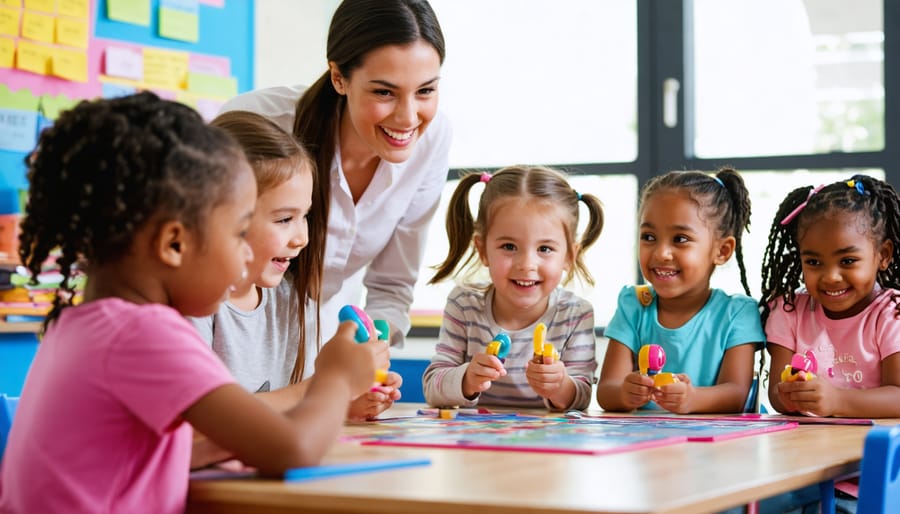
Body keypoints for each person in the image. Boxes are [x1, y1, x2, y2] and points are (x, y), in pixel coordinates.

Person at [0, 93, 376, 514]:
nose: (245, 256)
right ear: (174, 244)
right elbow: (293, 449)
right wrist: (337, 377)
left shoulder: (81, 324)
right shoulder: (143, 332)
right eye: (237, 235)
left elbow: (174, 450)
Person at [220, 0, 450, 357]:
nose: (408, 118)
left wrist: (368, 351)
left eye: (426, 90)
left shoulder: (432, 140)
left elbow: (392, 285)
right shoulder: (260, 123)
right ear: (338, 78)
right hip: (232, 340)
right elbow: (202, 252)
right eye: (384, 92)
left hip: (324, 350)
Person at [189, 111, 400, 430]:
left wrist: (343, 401)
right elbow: (204, 423)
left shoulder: (287, 298)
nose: (302, 238)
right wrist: (327, 386)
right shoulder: (193, 305)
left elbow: (282, 407)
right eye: (284, 219)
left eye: (305, 217)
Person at [422, 165, 604, 410]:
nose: (527, 264)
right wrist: (467, 379)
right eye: (509, 246)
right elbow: (433, 386)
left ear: (570, 256)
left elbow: (582, 395)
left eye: (545, 249)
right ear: (482, 249)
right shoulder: (464, 304)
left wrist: (560, 385)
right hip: (475, 442)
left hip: (549, 443)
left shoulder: (575, 313)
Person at [596, 168, 763, 414]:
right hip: (646, 444)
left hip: (718, 448)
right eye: (649, 236)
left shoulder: (737, 313)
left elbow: (737, 394)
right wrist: (624, 393)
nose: (661, 253)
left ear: (722, 251)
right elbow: (607, 391)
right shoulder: (633, 305)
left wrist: (693, 399)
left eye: (680, 239)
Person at [760, 174, 900, 418]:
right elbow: (776, 395)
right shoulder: (789, 311)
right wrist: (792, 394)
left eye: (847, 261)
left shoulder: (891, 314)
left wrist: (837, 400)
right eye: (813, 262)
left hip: (875, 446)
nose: (831, 277)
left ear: (883, 255)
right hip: (809, 446)